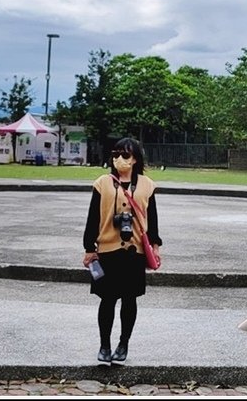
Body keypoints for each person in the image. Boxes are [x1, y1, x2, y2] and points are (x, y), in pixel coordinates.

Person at [82, 137, 162, 364]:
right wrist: (89, 247)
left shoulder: (147, 185)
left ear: (135, 158)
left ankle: (123, 343)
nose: (120, 159)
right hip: (107, 251)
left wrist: (155, 246)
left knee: (129, 300)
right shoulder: (102, 183)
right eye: (116, 155)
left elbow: (152, 219)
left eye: (125, 155)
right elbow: (93, 218)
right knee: (106, 300)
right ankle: (104, 345)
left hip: (134, 252)